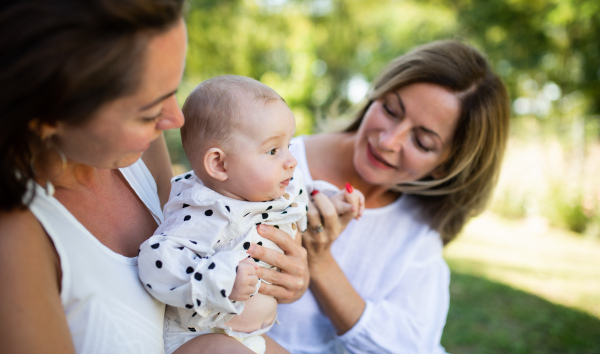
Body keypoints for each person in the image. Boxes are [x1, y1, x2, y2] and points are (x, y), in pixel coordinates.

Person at [0, 2, 308, 353]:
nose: (176, 120)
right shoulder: (16, 240)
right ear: (50, 117)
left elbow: (204, 317)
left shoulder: (138, 153)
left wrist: (282, 280)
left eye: (172, 91)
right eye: (149, 110)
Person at [268, 39, 511, 353]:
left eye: (422, 142)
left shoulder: (418, 232)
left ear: (445, 167)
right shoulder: (278, 164)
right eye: (391, 110)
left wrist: (321, 262)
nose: (388, 141)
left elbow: (410, 346)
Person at [138, 75, 364, 354]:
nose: (291, 160)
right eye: (273, 150)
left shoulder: (276, 192)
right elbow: (156, 260)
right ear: (220, 164)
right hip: (202, 337)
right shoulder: (205, 211)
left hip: (254, 338)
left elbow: (303, 199)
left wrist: (334, 199)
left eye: (288, 146)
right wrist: (223, 279)